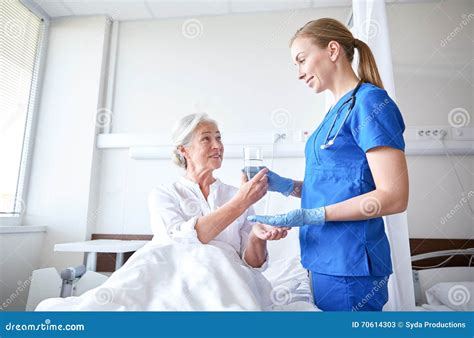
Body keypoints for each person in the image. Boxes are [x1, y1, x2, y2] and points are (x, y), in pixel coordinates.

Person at [248, 18, 409, 311]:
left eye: (301, 60)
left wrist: (313, 215)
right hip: (321, 257)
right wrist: (285, 185)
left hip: (350, 263)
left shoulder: (370, 104)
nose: (299, 73)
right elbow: (338, 186)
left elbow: (395, 196)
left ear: (332, 50)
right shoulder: (334, 112)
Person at [149, 113, 290, 269]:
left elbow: (253, 265)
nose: (217, 146)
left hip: (229, 278)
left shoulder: (238, 194)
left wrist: (258, 238)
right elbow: (177, 243)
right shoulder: (165, 195)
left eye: (218, 138)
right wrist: (240, 203)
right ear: (184, 150)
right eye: (206, 139)